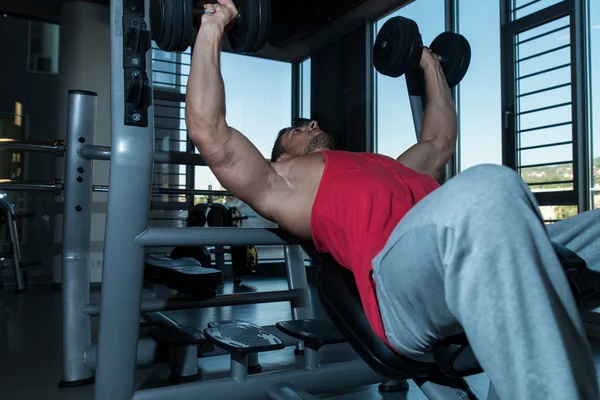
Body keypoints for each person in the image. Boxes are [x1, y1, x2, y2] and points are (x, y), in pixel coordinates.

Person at [185, 1, 600, 398]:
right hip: (397, 289)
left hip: (463, 255)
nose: (311, 123)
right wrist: (214, 24)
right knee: (491, 187)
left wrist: (428, 63)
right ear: (280, 154)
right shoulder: (283, 179)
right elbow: (210, 131)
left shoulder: (385, 165)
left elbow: (438, 140)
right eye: (297, 128)